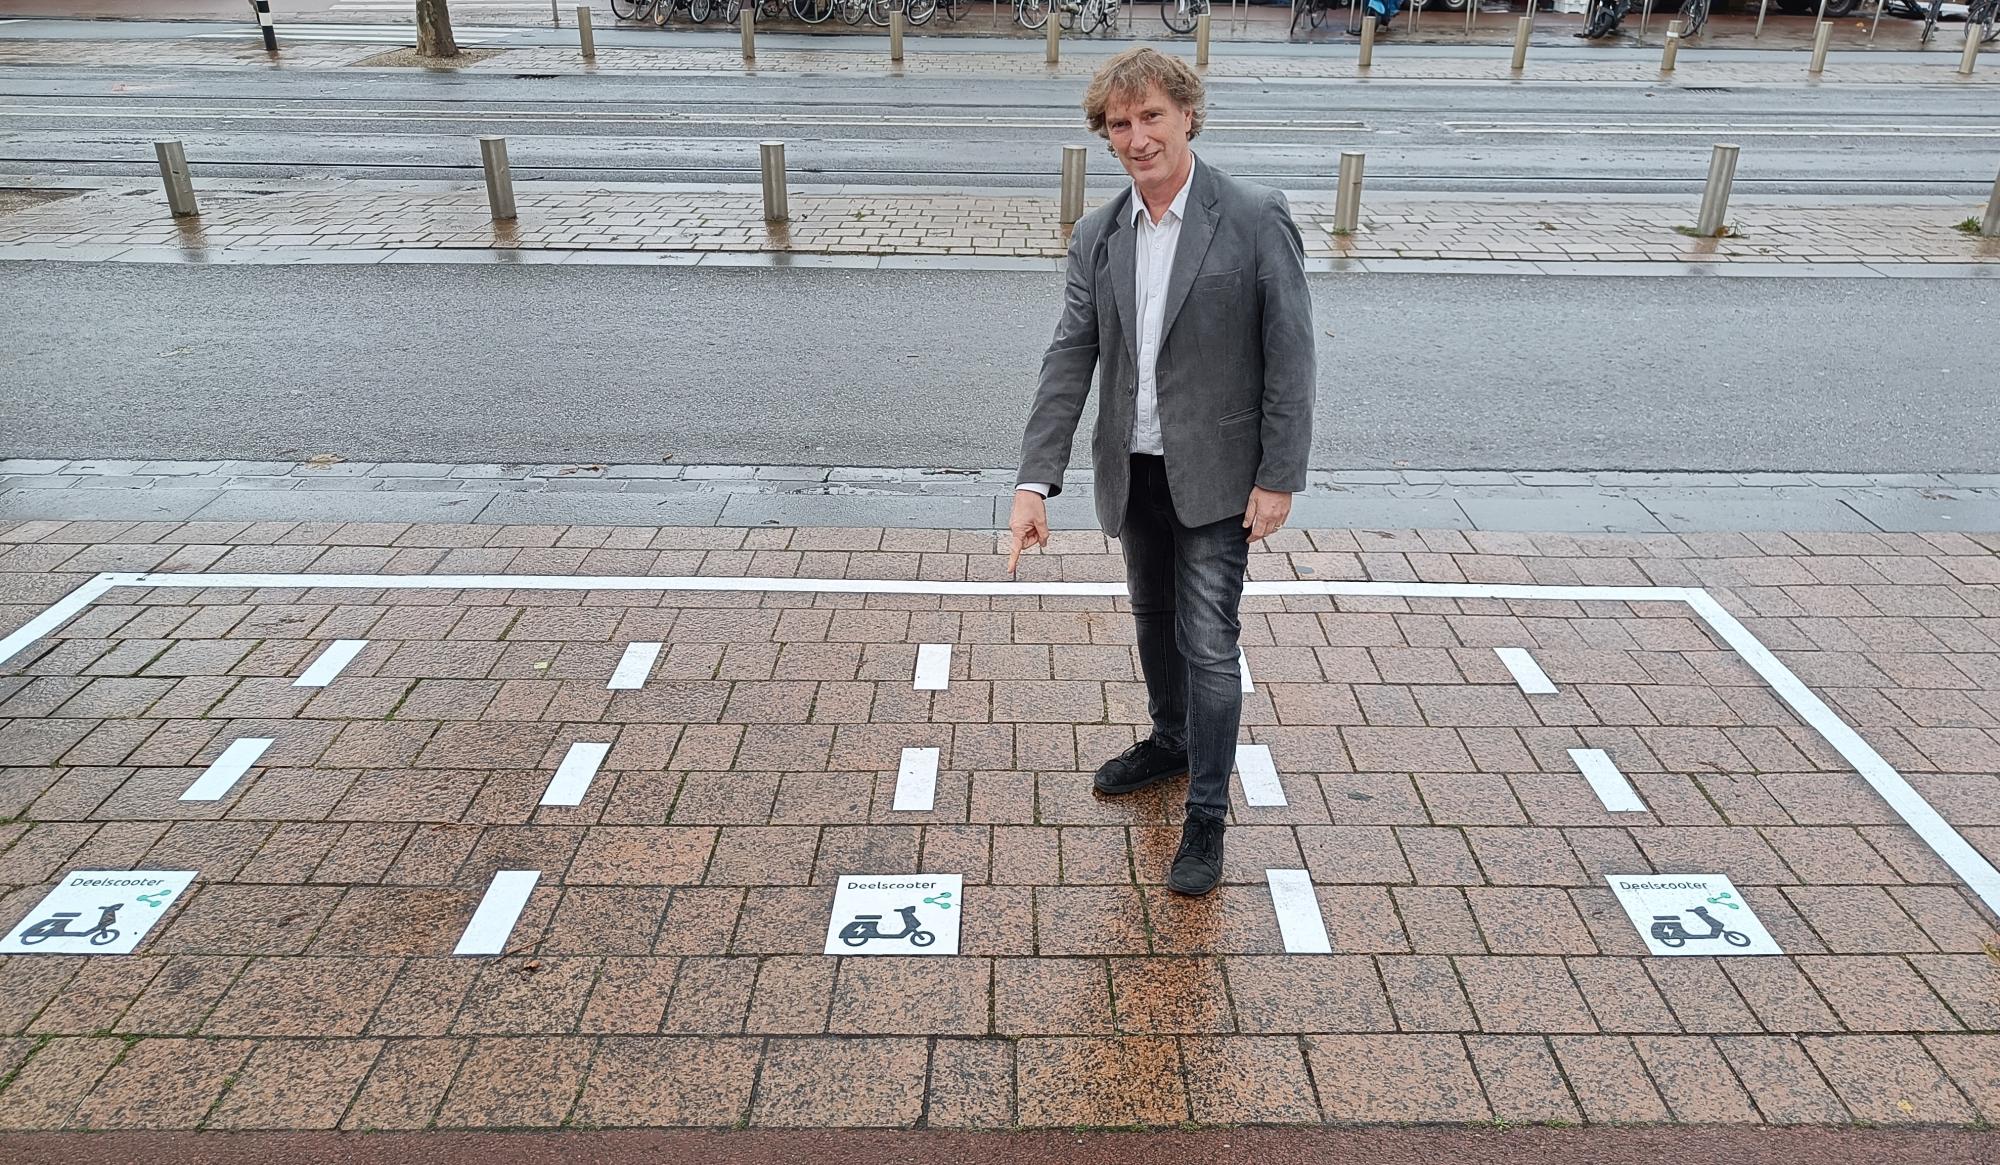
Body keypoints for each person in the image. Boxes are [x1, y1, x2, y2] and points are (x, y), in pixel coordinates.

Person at [1007, 47, 1316, 897]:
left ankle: (1207, 815)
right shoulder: (1098, 233)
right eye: (1120, 124)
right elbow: (1069, 357)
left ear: (1187, 115)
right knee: (1151, 617)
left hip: (1220, 475)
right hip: (1133, 470)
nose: (1137, 138)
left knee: (1209, 641)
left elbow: (1290, 359)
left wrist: (1280, 475)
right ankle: (1171, 740)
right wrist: (1035, 481)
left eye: (1151, 118)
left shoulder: (1254, 217)